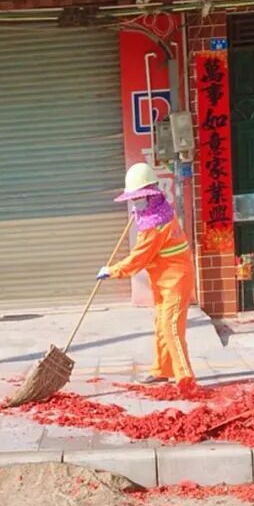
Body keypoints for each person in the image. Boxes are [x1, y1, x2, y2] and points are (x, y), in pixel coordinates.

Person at [97, 163, 197, 388]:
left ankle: (185, 378)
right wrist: (139, 211)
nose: (135, 202)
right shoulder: (157, 209)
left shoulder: (156, 225)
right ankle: (162, 370)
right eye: (133, 199)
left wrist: (111, 270)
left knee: (171, 327)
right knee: (161, 324)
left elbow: (138, 259)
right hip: (162, 280)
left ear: (150, 195)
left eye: (138, 198)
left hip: (176, 280)